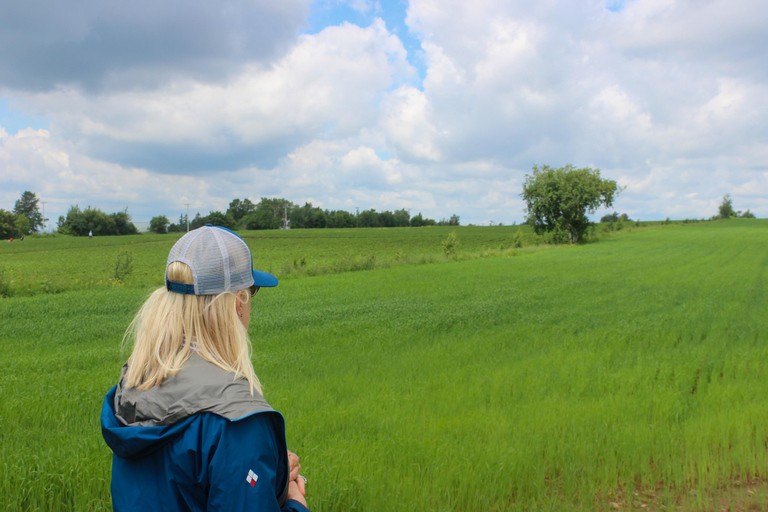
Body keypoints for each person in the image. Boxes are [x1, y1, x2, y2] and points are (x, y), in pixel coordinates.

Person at [101, 224, 311, 512]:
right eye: (253, 292)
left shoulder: (135, 385)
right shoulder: (237, 421)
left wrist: (266, 473)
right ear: (238, 302)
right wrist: (294, 501)